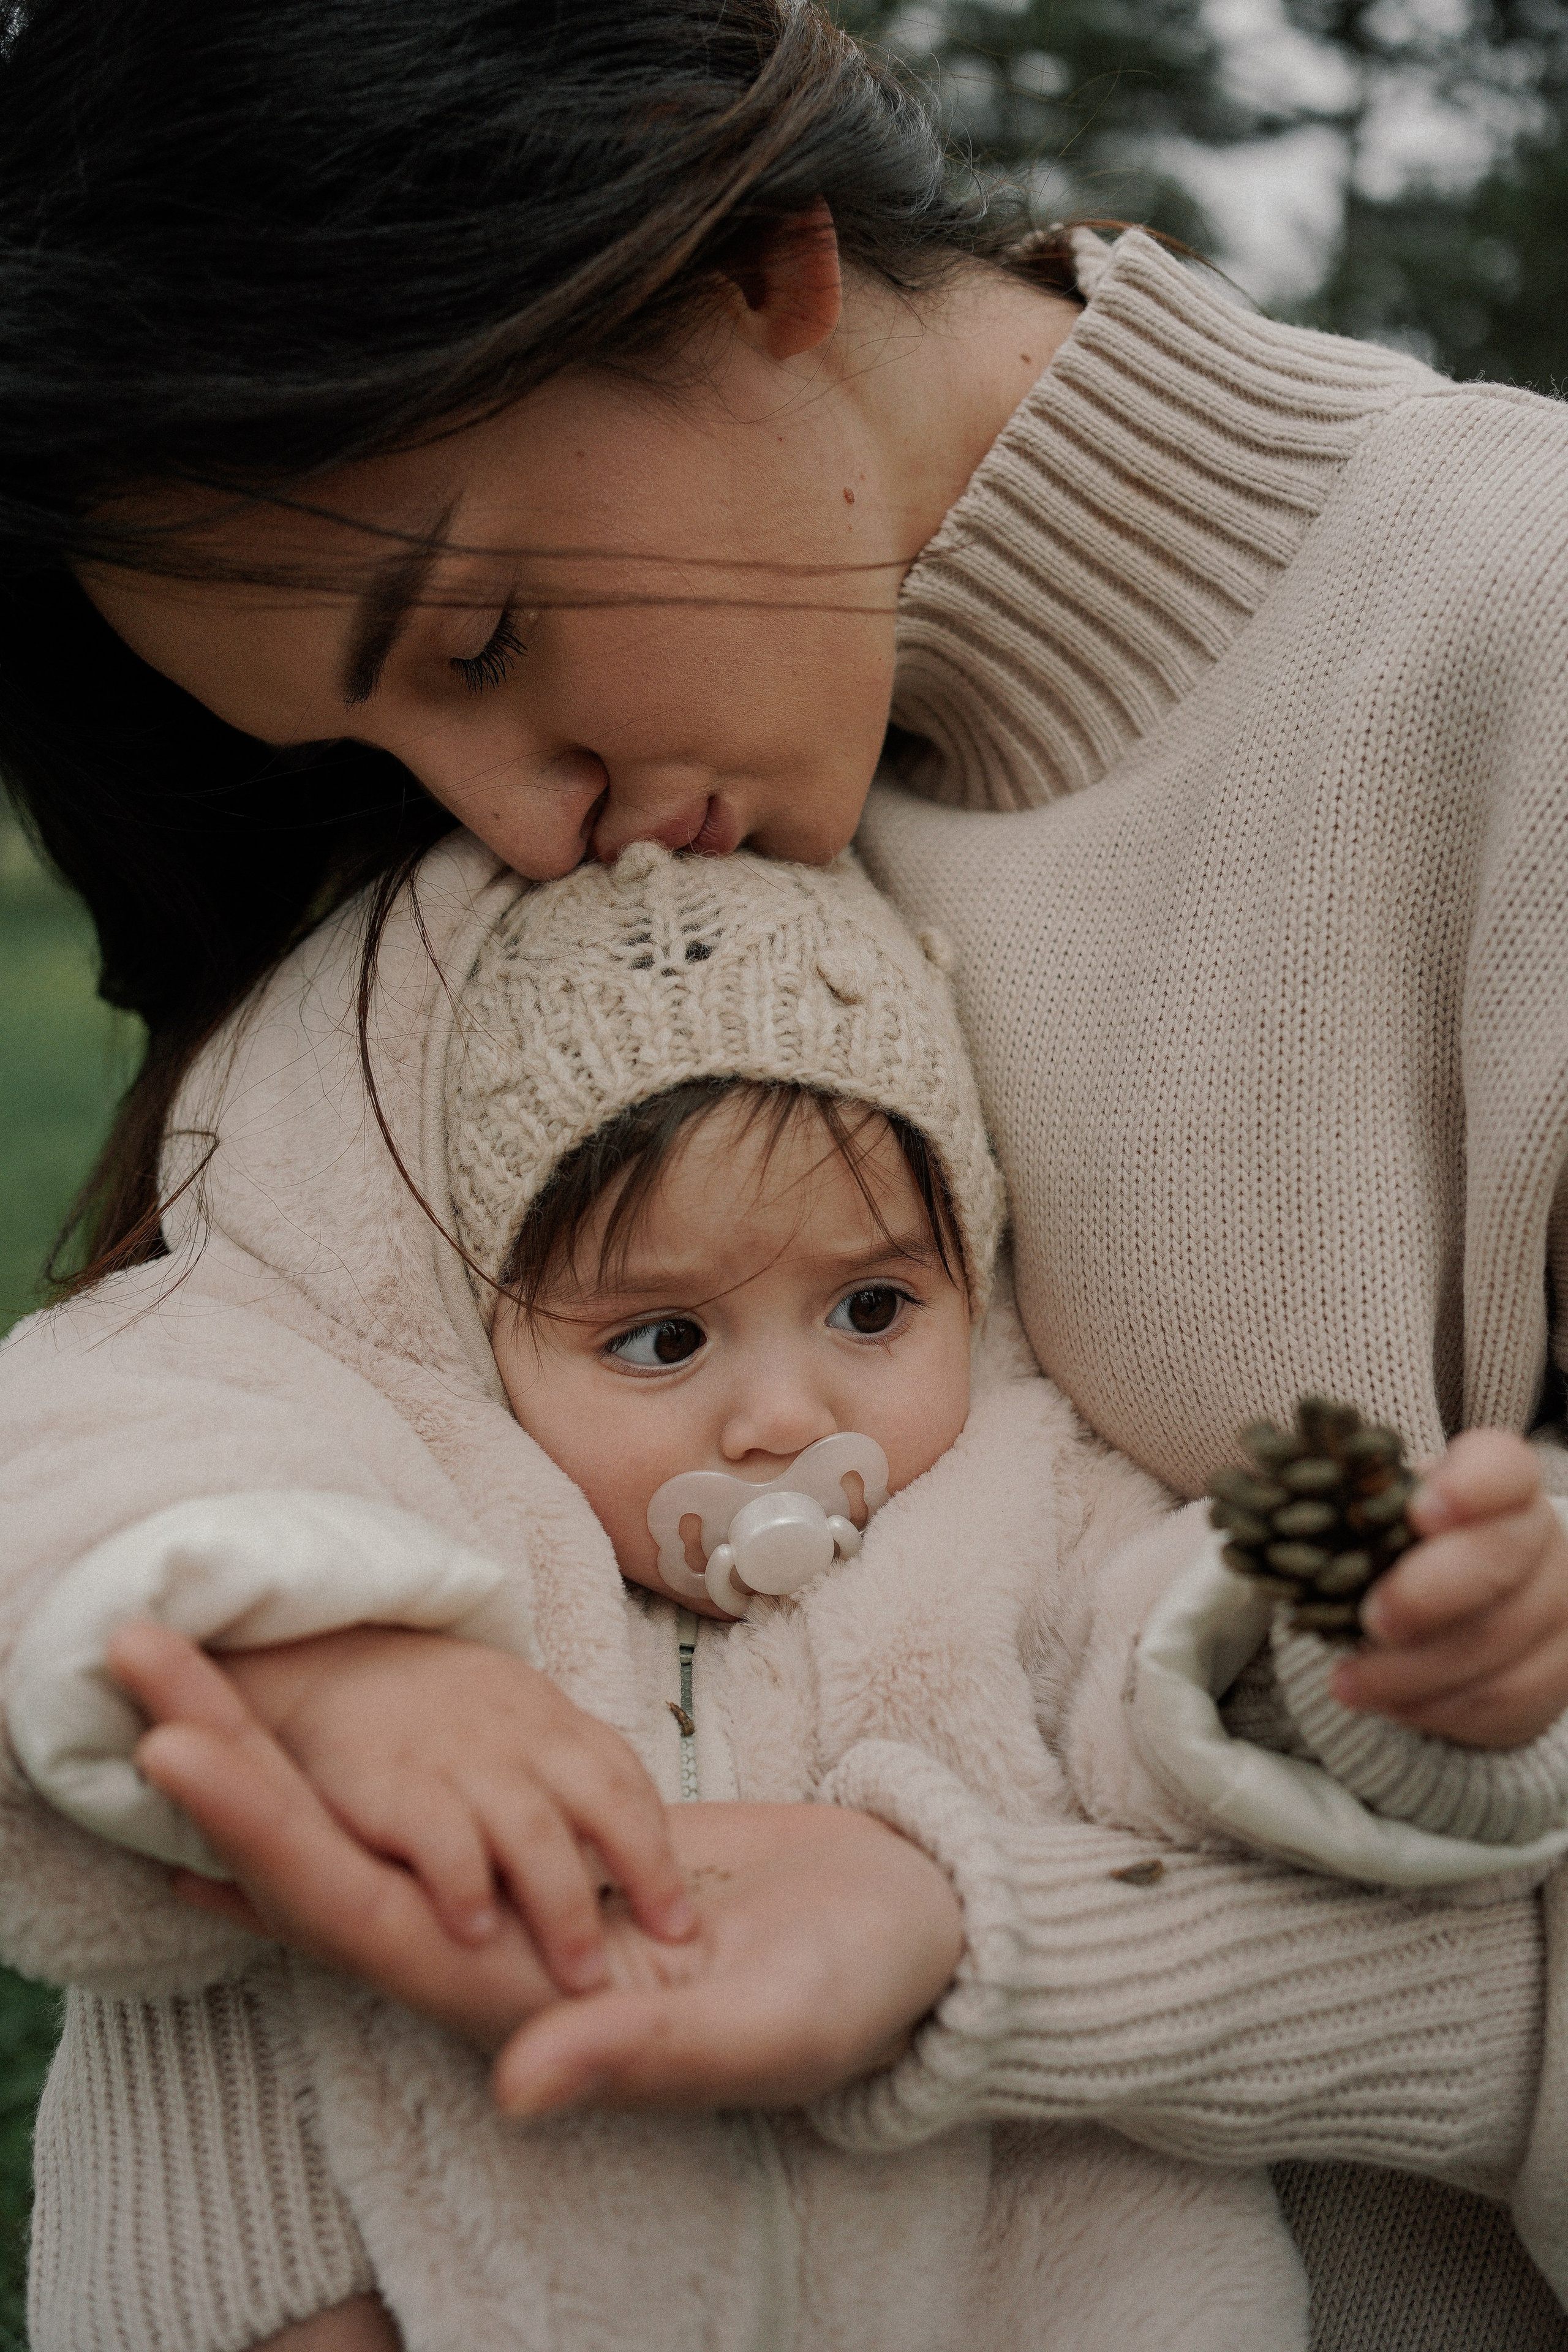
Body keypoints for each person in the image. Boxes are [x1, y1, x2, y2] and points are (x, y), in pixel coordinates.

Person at [2, 2, 1567, 2342]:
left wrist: (988, 1956)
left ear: (753, 265)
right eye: (380, 728)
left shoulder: (1512, 651)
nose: (516, 819)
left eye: (481, 635)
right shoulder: (511, 917)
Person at [10, 839, 1568, 2352]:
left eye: (873, 1307)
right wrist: (340, 1652)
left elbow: (1171, 1691)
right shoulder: (425, 1498)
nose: (783, 1418)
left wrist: (1376, 1661)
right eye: (662, 1340)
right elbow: (99, 1442)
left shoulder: (1023, 1502)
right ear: (484, 1324)